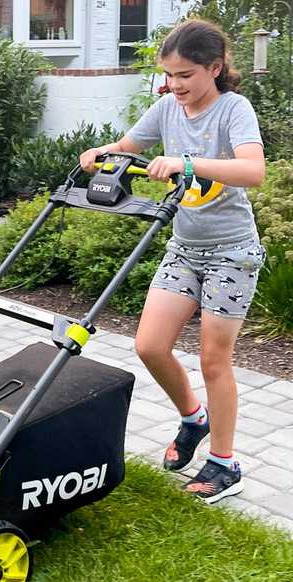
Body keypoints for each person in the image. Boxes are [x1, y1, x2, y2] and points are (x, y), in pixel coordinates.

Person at [79, 18, 266, 504]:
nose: (175, 85)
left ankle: (225, 463)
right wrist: (103, 152)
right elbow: (128, 147)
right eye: (170, 75)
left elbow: (253, 171)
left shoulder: (232, 110)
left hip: (232, 252)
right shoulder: (167, 108)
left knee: (213, 358)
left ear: (215, 68)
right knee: (150, 345)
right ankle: (193, 418)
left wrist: (188, 162)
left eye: (186, 75)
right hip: (184, 248)